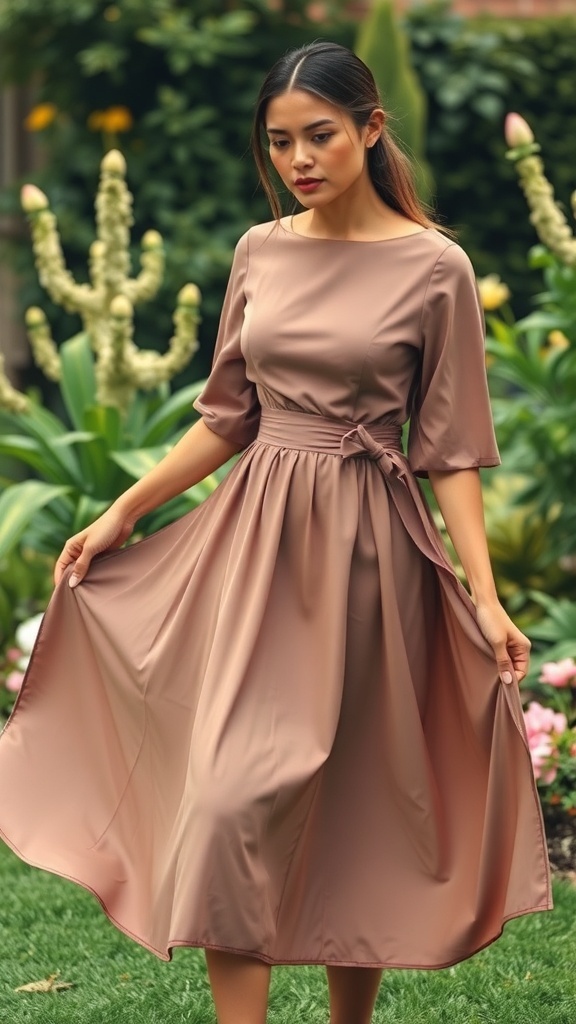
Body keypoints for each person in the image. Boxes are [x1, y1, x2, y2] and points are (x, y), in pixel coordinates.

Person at [0, 42, 551, 1024]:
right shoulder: (261, 251)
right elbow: (227, 414)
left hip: (374, 555)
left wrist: (485, 591)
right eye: (281, 141)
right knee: (225, 800)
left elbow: (454, 450)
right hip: (254, 550)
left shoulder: (438, 268)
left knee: (358, 803)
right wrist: (124, 510)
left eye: (320, 136)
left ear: (372, 129)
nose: (299, 158)